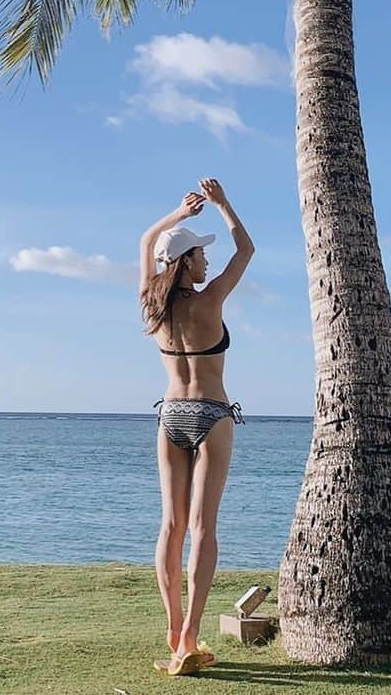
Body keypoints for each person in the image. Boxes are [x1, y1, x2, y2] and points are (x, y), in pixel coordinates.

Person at [139, 177, 255, 676]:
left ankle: (172, 624)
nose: (207, 262)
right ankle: (190, 635)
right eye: (200, 255)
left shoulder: (153, 304)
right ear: (186, 262)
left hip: (170, 416)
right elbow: (245, 248)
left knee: (171, 525)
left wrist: (177, 216)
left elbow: (147, 242)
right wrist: (223, 204)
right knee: (204, 527)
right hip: (209, 413)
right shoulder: (210, 303)